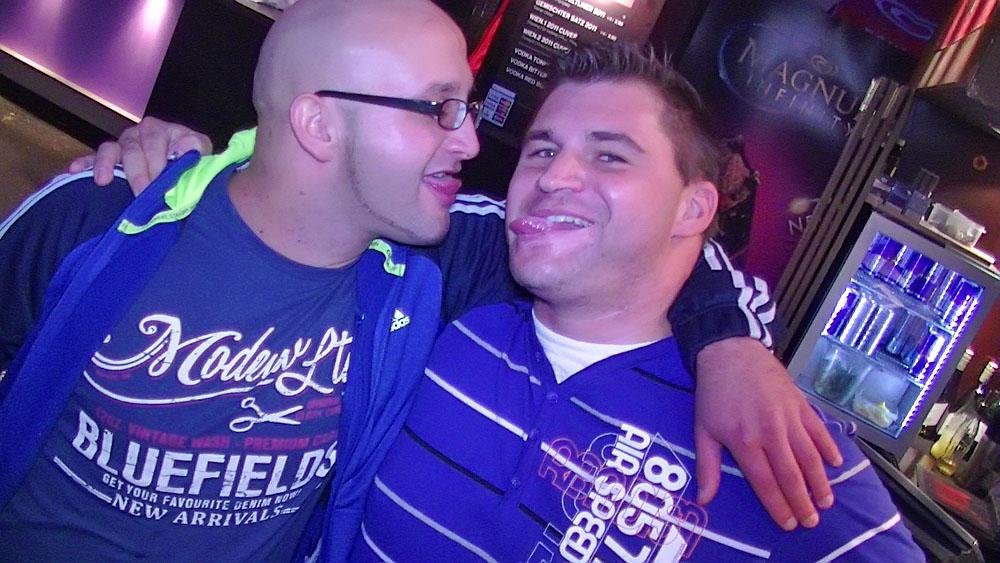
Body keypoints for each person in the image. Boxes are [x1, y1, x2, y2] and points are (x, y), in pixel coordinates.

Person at [0, 0, 834, 559]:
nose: (470, 142)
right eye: (439, 109)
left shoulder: (443, 256)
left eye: (466, 108)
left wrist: (729, 342)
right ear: (319, 122)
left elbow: (641, 237)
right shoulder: (104, 219)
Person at [354, 43, 924, 561]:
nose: (554, 176)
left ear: (693, 210)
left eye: (610, 157)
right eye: (542, 150)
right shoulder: (449, 318)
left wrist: (730, 345)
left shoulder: (769, 434)